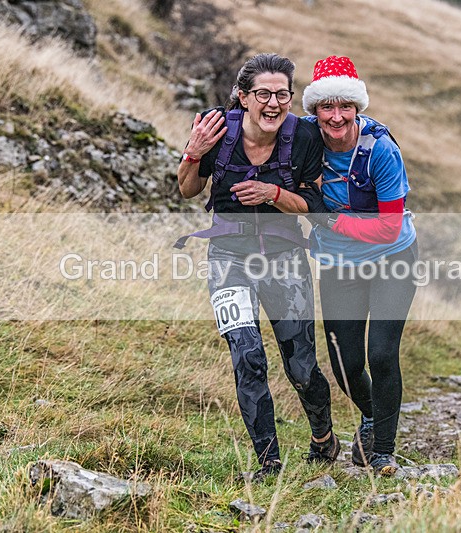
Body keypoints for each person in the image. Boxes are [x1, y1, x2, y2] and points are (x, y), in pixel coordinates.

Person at [176, 53, 339, 483]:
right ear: (244, 97)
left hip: (285, 260)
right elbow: (189, 190)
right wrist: (192, 154)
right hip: (228, 260)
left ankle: (323, 436)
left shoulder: (303, 137)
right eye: (263, 94)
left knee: (301, 366)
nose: (273, 103)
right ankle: (269, 463)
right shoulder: (218, 130)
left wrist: (272, 193)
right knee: (247, 356)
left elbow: (317, 208)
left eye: (282, 94)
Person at [302, 55, 418, 476]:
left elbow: (388, 228)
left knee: (382, 354)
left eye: (344, 106)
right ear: (314, 109)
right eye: (326, 107)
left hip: (392, 259)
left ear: (357, 108)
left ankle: (383, 450)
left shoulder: (380, 150)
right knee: (346, 364)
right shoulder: (303, 142)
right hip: (338, 264)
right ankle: (371, 416)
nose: (336, 116)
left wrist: (333, 220)